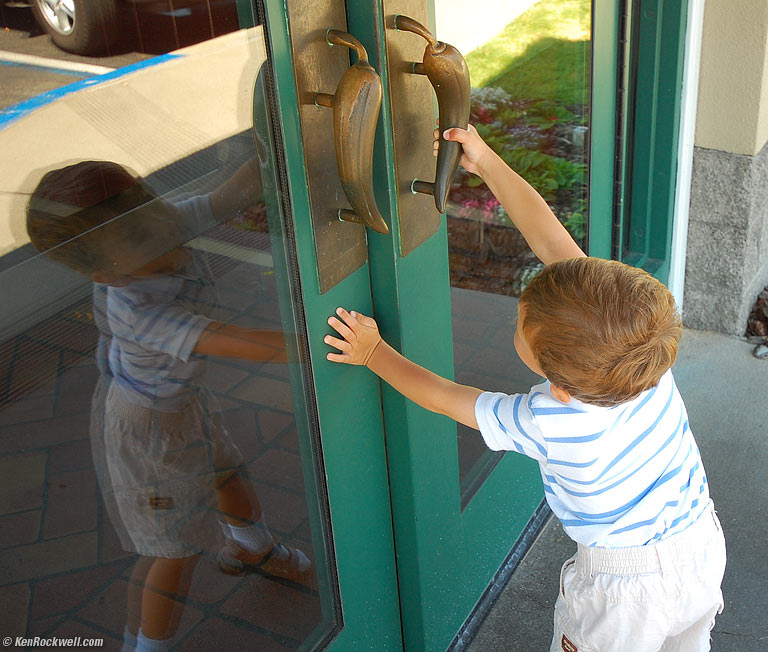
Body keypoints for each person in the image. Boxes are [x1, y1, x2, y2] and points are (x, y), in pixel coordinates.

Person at [324, 125, 727, 652]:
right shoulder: (644, 355)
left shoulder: (548, 420)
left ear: (557, 385)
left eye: (521, 327)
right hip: (699, 547)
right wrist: (487, 161)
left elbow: (446, 398)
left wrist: (374, 352)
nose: (516, 318)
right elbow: (550, 237)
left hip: (623, 597)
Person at [26, 159, 312, 652]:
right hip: (148, 435)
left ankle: (253, 548)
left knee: (226, 474)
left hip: (181, 407)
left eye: (154, 208)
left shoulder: (148, 232)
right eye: (141, 235)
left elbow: (224, 198)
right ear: (108, 275)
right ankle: (148, 647)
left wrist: (269, 153)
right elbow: (244, 343)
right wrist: (328, 342)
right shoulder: (140, 309)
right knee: (172, 550)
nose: (164, 231)